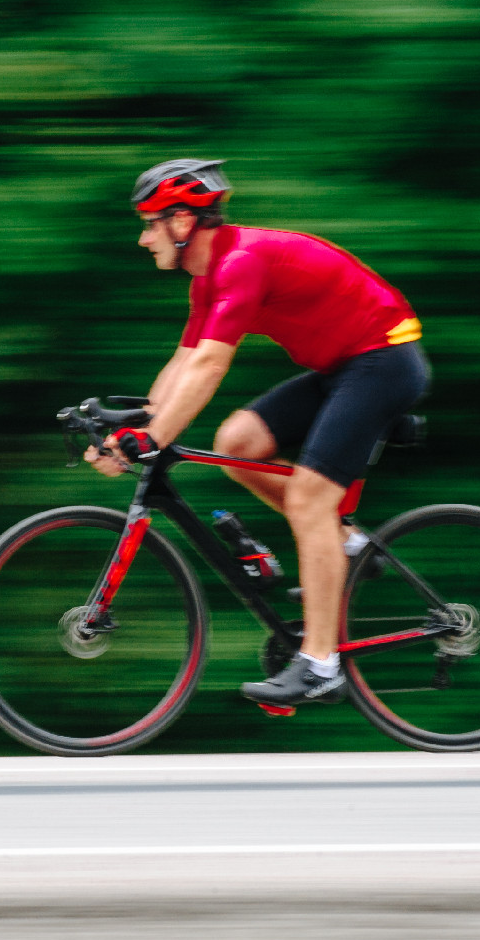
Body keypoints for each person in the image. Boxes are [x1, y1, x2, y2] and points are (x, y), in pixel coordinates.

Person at [85, 159, 430, 707]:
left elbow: (210, 367)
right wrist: (134, 430)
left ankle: (321, 666)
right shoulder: (208, 279)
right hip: (345, 367)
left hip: (384, 360)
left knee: (310, 499)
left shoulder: (240, 263)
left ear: (182, 222)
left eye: (150, 224)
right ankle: (348, 544)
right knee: (237, 443)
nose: (143, 238)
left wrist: (152, 439)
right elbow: (184, 362)